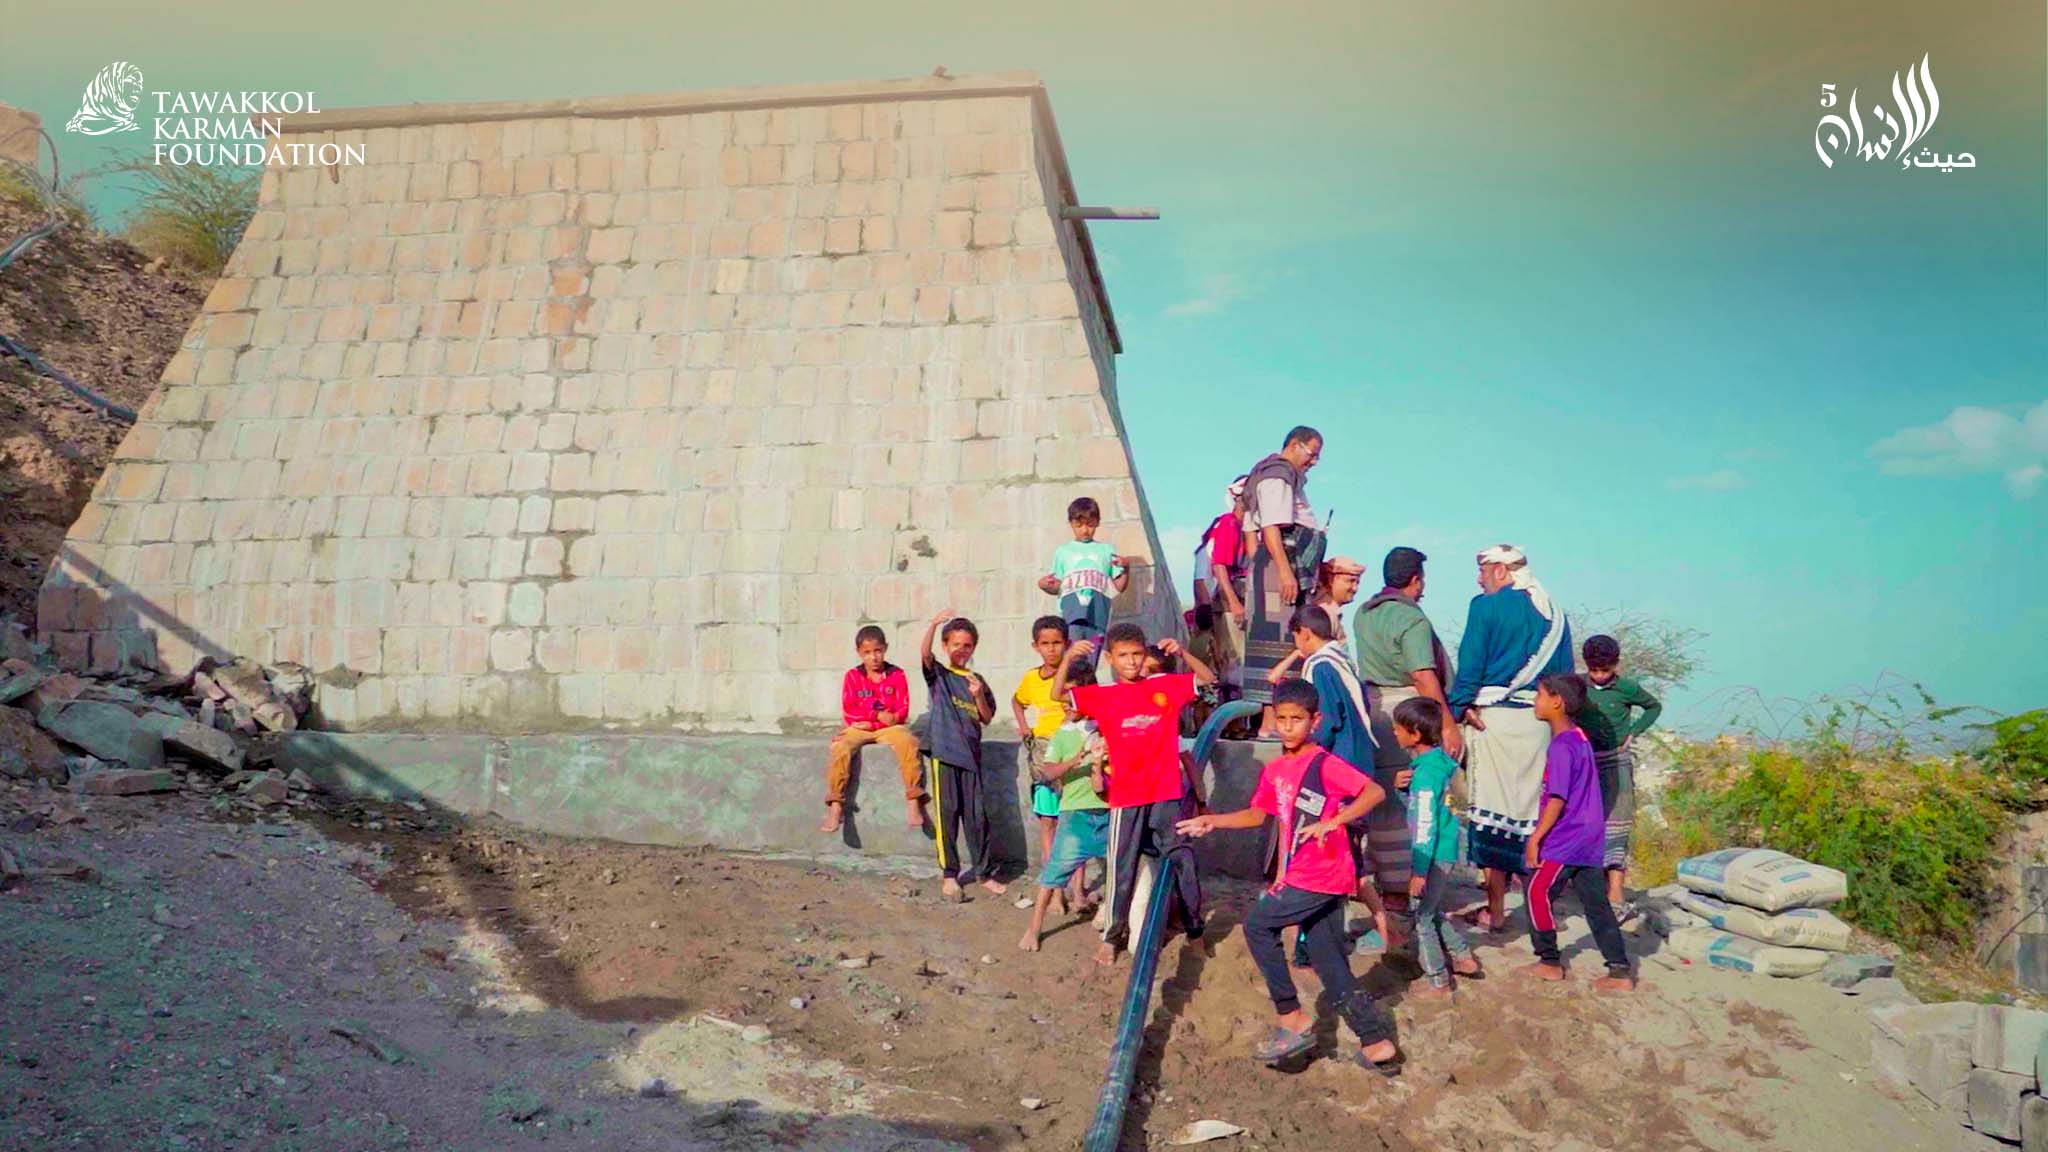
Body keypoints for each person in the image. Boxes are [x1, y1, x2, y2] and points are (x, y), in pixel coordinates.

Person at [1178, 680, 1403, 1076]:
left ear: (1314, 722)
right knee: (1331, 964)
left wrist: (1333, 820)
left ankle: (1291, 1016)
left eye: (1296, 720)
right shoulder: (1277, 769)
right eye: (1280, 719)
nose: (1287, 727)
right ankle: (1376, 1042)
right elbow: (1258, 815)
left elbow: (1373, 793)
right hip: (1306, 874)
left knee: (1258, 925)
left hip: (1323, 874)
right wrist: (1212, 820)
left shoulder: (1324, 764)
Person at [1055, 624, 1216, 966]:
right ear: (1111, 659)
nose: (1131, 662)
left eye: (1137, 654)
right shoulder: (1104, 695)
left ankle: (1195, 932)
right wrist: (1069, 657)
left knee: (1182, 863)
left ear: (1145, 655)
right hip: (1126, 798)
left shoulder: (1165, 688)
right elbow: (1058, 695)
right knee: (1121, 868)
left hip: (1166, 795)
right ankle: (1112, 937)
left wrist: (1183, 653)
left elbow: (1207, 678)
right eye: (1123, 655)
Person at [1449, 545, 1573, 934]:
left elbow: (1471, 663)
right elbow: (1564, 676)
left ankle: (1497, 909)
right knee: (1529, 818)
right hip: (1537, 723)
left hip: (1494, 721)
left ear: (1501, 571)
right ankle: (1540, 910)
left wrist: (1459, 707)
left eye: (1484, 570)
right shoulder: (1554, 614)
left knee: (1490, 817)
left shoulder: (1485, 607)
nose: (1479, 579)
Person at [1279, 606, 1413, 949]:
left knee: (1325, 855)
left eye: (1297, 638)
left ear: (1305, 634)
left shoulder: (1321, 666)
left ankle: (1314, 942)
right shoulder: (1342, 662)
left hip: (1337, 773)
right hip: (1356, 767)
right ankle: (1384, 928)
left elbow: (1327, 721)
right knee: (1349, 856)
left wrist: (1303, 758)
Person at [1522, 673, 1635, 991]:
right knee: (1596, 903)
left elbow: (1557, 798)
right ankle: (1619, 969)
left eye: (1540, 695)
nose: (1536, 701)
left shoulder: (1560, 747)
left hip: (1566, 836)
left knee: (1536, 892)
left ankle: (1548, 961)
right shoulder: (1579, 737)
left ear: (1556, 701)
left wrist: (1536, 837)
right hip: (1590, 835)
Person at [1018, 666, 1111, 952]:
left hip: (1109, 811)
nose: (1067, 705)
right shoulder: (1062, 735)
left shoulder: (1105, 727)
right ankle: (1034, 929)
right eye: (1066, 700)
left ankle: (1110, 923)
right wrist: (1077, 759)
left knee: (1119, 871)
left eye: (1073, 699)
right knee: (1053, 873)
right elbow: (1048, 772)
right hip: (1076, 815)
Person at [1393, 696, 1480, 997]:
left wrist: (1419, 870)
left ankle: (1437, 979)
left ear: (1414, 734)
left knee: (1422, 917)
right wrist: (1402, 789)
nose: (1394, 732)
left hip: (1430, 855)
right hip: (1446, 849)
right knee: (1431, 908)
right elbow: (1456, 807)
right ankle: (1463, 956)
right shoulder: (1444, 765)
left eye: (1397, 728)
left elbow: (1424, 825)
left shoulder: (1426, 775)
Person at [1240, 427, 1325, 732]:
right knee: (1279, 639)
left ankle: (1275, 722)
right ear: (1294, 445)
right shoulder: (1276, 475)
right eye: (1312, 453)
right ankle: (1271, 722)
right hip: (1279, 568)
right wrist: (1285, 571)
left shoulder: (1276, 476)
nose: (1314, 461)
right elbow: (1271, 528)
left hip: (1274, 567)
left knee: (1285, 636)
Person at [1579, 634, 1663, 918]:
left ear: (1616, 665)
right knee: (1586, 825)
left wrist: (1634, 731)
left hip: (1616, 761)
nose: (1600, 676)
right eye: (1594, 670)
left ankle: (1615, 896)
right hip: (1585, 762)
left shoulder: (1627, 688)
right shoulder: (1578, 686)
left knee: (1618, 826)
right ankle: (1587, 888)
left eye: (1605, 670)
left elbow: (1654, 707)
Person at [920, 608, 1000, 902]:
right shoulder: (940, 674)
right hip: (945, 753)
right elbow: (925, 656)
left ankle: (983, 873)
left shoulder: (976, 680)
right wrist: (933, 624)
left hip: (971, 757)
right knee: (948, 817)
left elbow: (987, 717)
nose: (961, 650)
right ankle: (950, 875)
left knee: (977, 818)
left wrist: (978, 695)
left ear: (973, 648)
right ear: (945, 645)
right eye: (956, 644)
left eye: (967, 645)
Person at [821, 625, 925, 833]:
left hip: (889, 729)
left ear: (885, 649)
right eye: (867, 653)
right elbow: (850, 711)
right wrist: (876, 716)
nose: (874, 657)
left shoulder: (897, 675)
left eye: (877, 651)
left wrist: (881, 722)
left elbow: (901, 712)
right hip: (861, 728)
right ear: (859, 653)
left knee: (908, 741)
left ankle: (914, 798)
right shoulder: (853, 676)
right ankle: (835, 803)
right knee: (840, 746)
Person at [1013, 616, 1072, 893]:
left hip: (1070, 754)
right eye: (1045, 644)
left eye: (1057, 643)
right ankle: (1054, 889)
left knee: (1071, 823)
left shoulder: (1076, 675)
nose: (1051, 649)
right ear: (1035, 646)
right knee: (1048, 822)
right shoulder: (1031, 678)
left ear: (1066, 644)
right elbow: (1017, 700)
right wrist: (1025, 727)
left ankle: (1078, 890)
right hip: (1042, 753)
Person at [1037, 497, 1129, 646]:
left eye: (1090, 525)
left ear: (1098, 522)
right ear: (1071, 524)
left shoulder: (1106, 550)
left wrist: (1126, 569)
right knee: (1073, 655)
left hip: (1098, 614)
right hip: (1071, 614)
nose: (1085, 530)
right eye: (1079, 526)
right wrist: (1044, 585)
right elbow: (1057, 586)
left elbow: (1119, 587)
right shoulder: (1063, 551)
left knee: (1091, 658)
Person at [1201, 477, 1250, 691]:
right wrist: (1234, 603)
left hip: (1236, 598)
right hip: (1229, 601)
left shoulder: (1245, 528)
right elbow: (1219, 565)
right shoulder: (1230, 523)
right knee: (1233, 662)